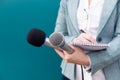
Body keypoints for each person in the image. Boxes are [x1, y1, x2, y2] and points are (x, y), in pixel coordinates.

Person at [53, 0, 120, 80]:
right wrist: (74, 40)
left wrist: (89, 60)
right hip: (70, 75)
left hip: (109, 74)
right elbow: (59, 34)